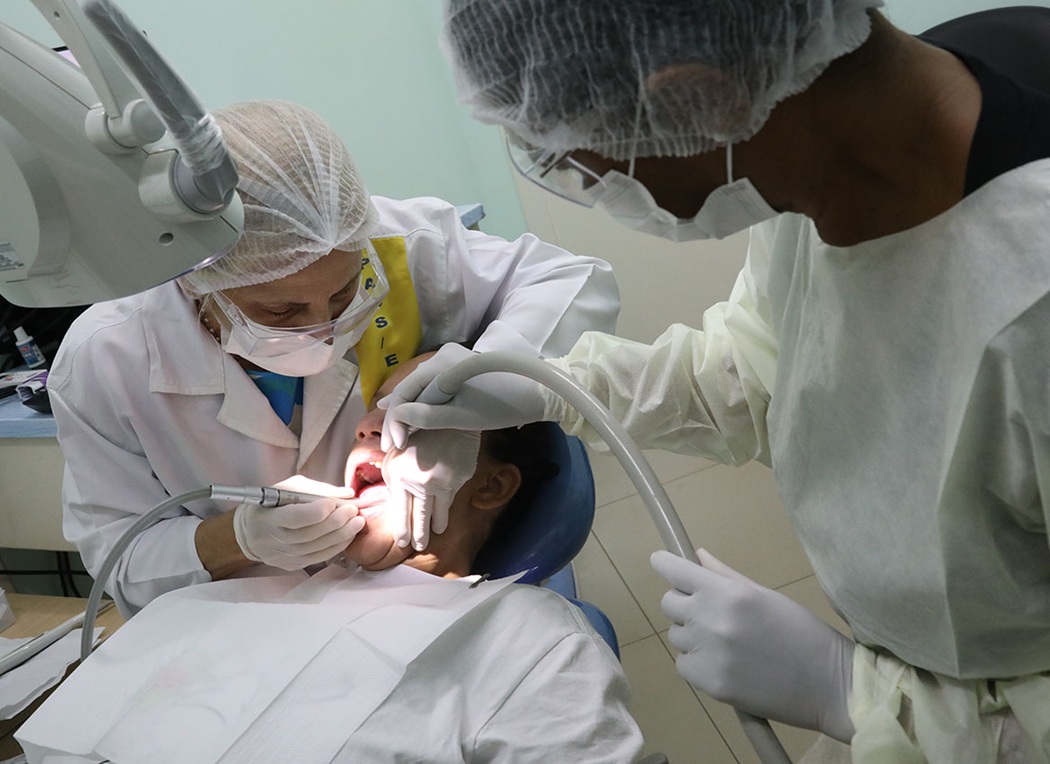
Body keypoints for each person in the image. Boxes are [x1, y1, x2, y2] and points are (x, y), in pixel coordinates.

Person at [377, 1, 1050, 760]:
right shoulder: (832, 155)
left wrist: (853, 696)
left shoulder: (1030, 302)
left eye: (572, 157)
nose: (584, 181)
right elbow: (759, 372)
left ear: (700, 98)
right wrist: (551, 387)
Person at [47, 98, 619, 617]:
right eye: (280, 311)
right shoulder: (107, 359)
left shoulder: (401, 247)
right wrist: (238, 538)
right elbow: (120, 559)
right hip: (248, 631)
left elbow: (573, 282)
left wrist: (470, 387)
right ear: (196, 284)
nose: (323, 333)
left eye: (345, 296)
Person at [17, 362, 644, 763]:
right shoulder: (237, 597)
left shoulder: (532, 640)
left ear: (493, 485)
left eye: (411, 422)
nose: (370, 430)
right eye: (372, 417)